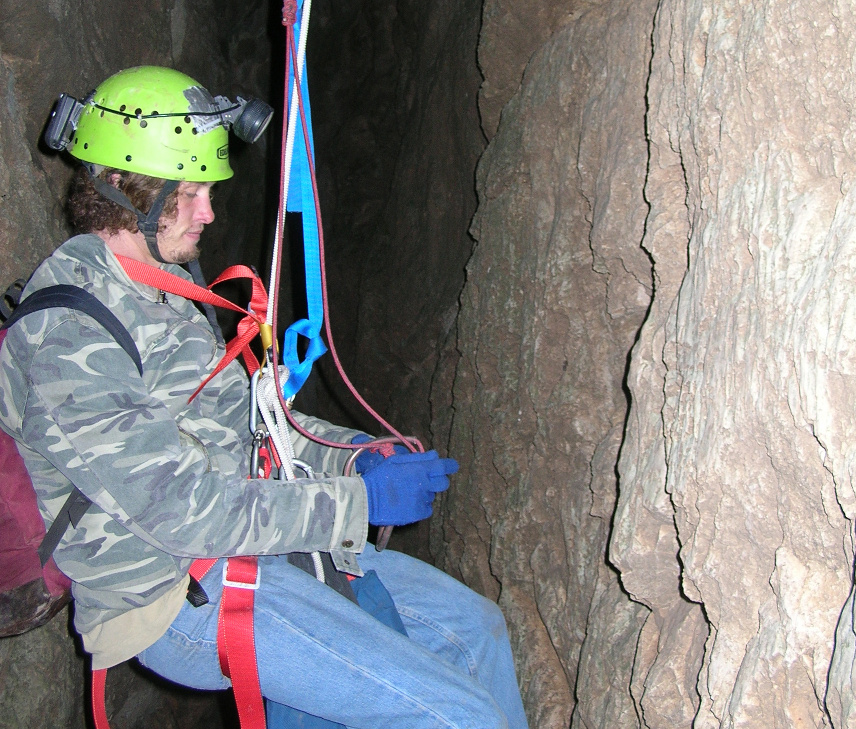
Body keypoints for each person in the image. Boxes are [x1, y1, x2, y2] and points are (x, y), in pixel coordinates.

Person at [0, 66, 528, 729]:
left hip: (253, 541)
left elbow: (245, 423)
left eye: (208, 191)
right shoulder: (68, 335)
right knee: (458, 716)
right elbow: (183, 510)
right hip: (172, 593)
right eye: (189, 194)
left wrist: (352, 457)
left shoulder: (160, 285)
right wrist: (360, 501)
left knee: (476, 629)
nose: (209, 211)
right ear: (124, 192)